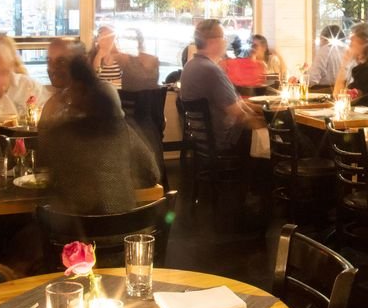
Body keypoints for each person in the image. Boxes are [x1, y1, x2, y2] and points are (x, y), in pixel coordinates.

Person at [42, 55, 161, 215]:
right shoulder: (120, 128)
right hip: (123, 231)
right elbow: (152, 174)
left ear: (76, 90)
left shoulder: (60, 133)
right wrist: (119, 181)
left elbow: (52, 182)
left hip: (75, 236)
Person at [179, 19, 264, 152]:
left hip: (201, 140)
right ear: (213, 41)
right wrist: (267, 124)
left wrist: (260, 109)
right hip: (224, 140)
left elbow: (236, 103)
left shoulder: (190, 66)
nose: (226, 41)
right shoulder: (212, 71)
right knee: (281, 136)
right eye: (223, 37)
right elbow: (238, 114)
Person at [333, 22, 368, 108]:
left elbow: (339, 97)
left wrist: (344, 63)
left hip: (366, 118)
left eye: (352, 41)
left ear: (364, 43)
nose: (349, 45)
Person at [40, 37, 87, 127]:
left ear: (82, 62)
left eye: (61, 61)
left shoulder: (99, 97)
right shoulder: (52, 104)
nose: (53, 68)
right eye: (49, 61)